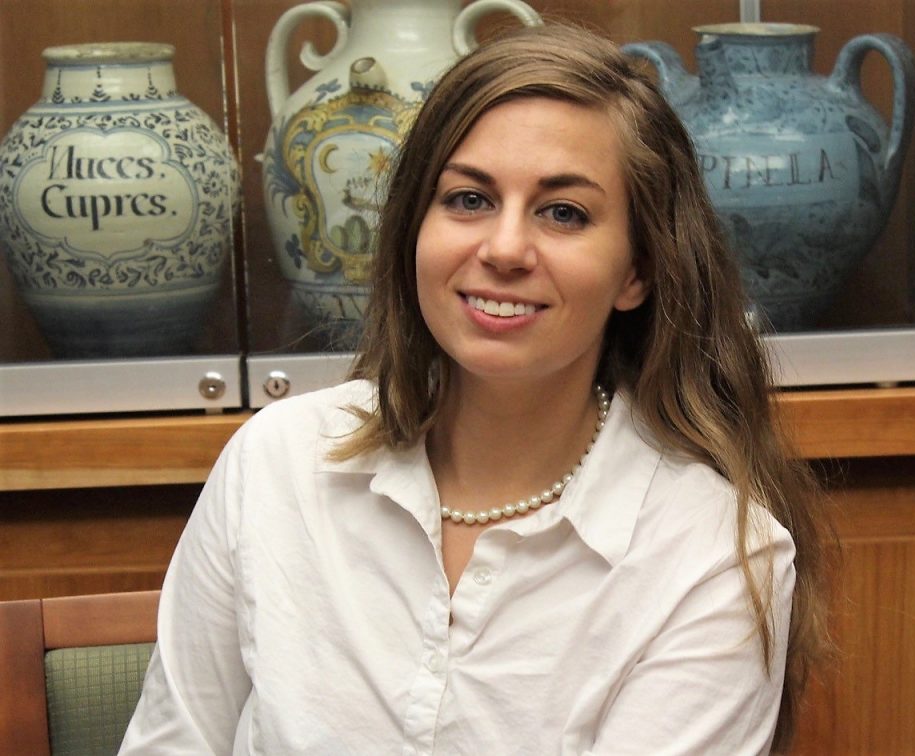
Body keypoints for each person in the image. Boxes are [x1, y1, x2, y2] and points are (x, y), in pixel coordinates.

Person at [120, 22, 833, 756]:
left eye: (564, 213)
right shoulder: (276, 462)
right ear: (413, 228)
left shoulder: (715, 554)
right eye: (468, 199)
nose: (502, 249)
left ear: (637, 272)